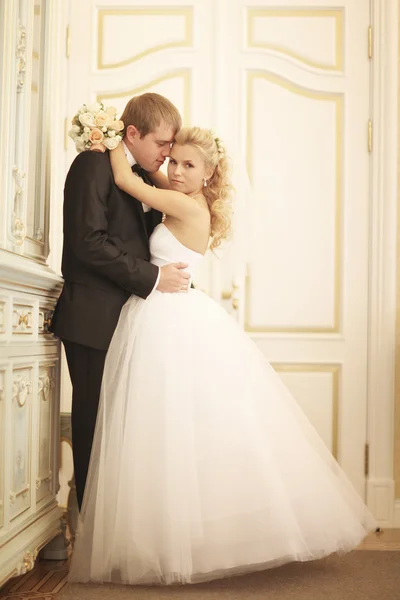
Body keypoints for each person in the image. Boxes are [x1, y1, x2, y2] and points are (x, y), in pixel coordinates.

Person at [69, 127, 376, 586]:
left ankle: (179, 540)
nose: (176, 171)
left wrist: (109, 139)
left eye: (189, 165)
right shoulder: (177, 199)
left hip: (169, 318)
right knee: (159, 429)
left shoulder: (189, 205)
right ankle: (160, 531)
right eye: (173, 162)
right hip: (160, 311)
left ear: (210, 174)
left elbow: (131, 184)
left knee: (175, 426)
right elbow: (142, 194)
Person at [50, 93, 190, 510]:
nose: (168, 154)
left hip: (125, 320)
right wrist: (155, 278)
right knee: (93, 422)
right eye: (162, 144)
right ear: (133, 133)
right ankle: (90, 525)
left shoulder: (140, 175)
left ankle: (113, 523)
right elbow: (88, 243)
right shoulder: (92, 165)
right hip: (92, 319)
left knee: (121, 426)